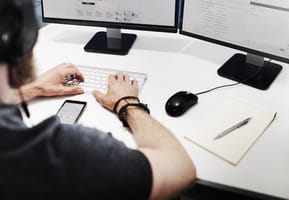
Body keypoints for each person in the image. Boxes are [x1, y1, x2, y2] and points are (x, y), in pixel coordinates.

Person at [0, 0, 196, 199]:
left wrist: (33, 89)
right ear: (20, 37)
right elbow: (179, 169)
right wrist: (127, 103)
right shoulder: (63, 154)